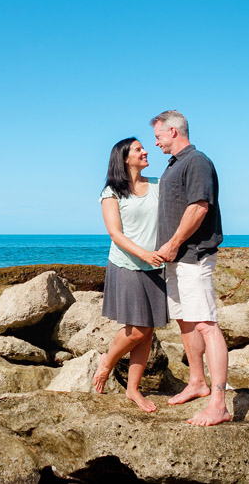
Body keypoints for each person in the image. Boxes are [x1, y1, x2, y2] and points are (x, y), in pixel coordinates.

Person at [151, 110, 230, 426]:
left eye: (158, 136)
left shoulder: (196, 161)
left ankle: (219, 404)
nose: (155, 143)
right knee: (185, 321)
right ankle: (197, 382)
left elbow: (199, 207)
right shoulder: (174, 165)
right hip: (176, 260)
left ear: (172, 131)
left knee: (206, 324)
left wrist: (172, 244)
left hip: (193, 256)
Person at [92, 137, 169, 412]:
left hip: (156, 267)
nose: (145, 151)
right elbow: (115, 233)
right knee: (137, 331)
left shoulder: (158, 185)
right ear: (125, 158)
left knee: (147, 332)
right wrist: (145, 254)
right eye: (138, 149)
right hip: (126, 265)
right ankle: (107, 362)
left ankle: (133, 390)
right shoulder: (112, 192)